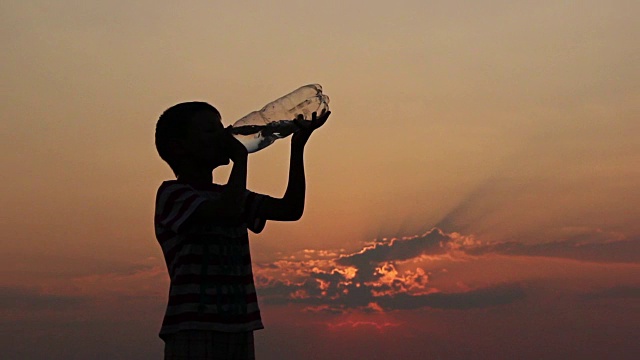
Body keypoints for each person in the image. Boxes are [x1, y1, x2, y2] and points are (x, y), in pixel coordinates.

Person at [154, 101, 330, 359]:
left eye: (222, 128)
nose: (224, 135)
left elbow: (290, 210)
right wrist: (240, 158)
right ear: (179, 147)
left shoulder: (229, 194)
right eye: (210, 131)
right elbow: (227, 209)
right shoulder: (173, 194)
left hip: (238, 325)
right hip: (192, 327)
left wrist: (298, 146)